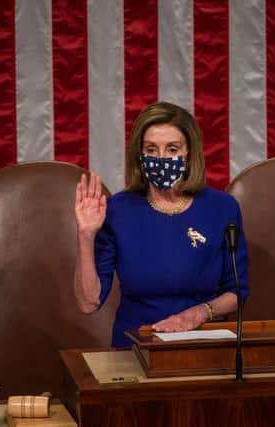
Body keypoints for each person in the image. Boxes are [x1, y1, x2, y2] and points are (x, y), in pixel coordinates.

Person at [74, 101, 249, 348]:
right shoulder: (117, 210)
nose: (162, 158)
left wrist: (199, 313)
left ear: (189, 153)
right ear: (140, 154)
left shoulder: (222, 207)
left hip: (204, 344)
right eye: (152, 150)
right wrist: (85, 235)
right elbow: (88, 303)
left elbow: (237, 291)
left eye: (172, 149)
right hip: (135, 347)